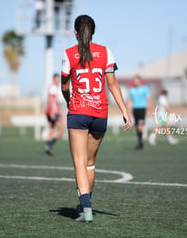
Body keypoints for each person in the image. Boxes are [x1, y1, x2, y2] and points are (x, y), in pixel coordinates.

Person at [61, 15, 132, 223]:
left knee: (79, 163)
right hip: (100, 114)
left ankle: (86, 209)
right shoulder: (105, 52)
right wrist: (125, 112)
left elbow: (65, 86)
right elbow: (113, 85)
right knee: (90, 163)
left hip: (78, 112)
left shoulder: (69, 54)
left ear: (75, 32)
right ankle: (85, 205)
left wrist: (68, 100)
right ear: (93, 32)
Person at [127, 75, 151, 150]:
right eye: (134, 81)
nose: (135, 82)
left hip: (142, 109)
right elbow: (130, 101)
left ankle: (141, 144)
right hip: (135, 109)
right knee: (137, 126)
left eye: (136, 80)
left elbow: (148, 99)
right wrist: (129, 112)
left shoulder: (145, 89)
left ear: (140, 81)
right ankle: (140, 142)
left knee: (140, 126)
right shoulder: (131, 90)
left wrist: (148, 110)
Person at [44, 73, 64, 155]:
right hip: (52, 112)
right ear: (54, 79)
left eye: (58, 79)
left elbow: (54, 101)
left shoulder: (54, 87)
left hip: (51, 111)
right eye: (56, 79)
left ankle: (48, 147)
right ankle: (49, 145)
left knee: (51, 130)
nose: (58, 80)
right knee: (61, 129)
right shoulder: (53, 87)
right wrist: (53, 112)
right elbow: (51, 100)